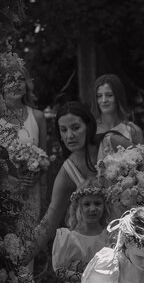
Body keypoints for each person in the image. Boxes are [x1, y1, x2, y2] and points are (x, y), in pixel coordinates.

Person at [28, 101, 101, 259]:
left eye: (75, 128)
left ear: (88, 126)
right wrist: (17, 259)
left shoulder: (111, 144)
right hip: (98, 251)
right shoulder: (68, 171)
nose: (69, 135)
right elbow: (48, 224)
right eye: (63, 130)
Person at [51, 183, 110, 283]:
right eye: (87, 204)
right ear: (78, 207)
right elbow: (59, 270)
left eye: (97, 203)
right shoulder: (69, 238)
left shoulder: (109, 237)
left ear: (105, 206)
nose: (92, 208)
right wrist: (85, 277)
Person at [0, 60, 49, 224]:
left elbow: (44, 157)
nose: (16, 84)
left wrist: (37, 176)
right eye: (10, 80)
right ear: (0, 86)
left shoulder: (38, 116)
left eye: (20, 79)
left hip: (31, 190)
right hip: (1, 190)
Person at [93, 73, 144, 155]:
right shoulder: (90, 129)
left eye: (109, 95)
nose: (103, 100)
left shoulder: (133, 131)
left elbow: (142, 164)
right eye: (99, 96)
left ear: (118, 96)